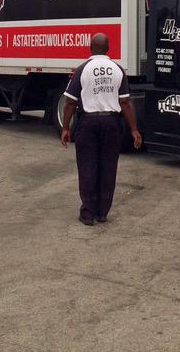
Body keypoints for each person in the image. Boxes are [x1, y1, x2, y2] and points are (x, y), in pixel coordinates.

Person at [60, 33, 142, 226]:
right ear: (108, 49)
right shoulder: (117, 69)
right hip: (112, 123)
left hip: (88, 123)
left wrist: (65, 128)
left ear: (90, 47)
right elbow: (126, 102)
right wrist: (134, 130)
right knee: (108, 167)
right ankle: (102, 211)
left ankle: (88, 214)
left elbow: (70, 102)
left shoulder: (82, 69)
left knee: (88, 166)